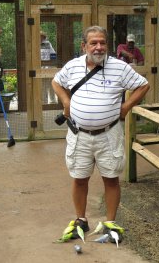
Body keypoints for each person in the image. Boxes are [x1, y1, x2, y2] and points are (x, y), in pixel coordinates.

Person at [51, 25, 149, 243]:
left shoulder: (119, 67)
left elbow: (143, 85)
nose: (98, 47)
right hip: (79, 135)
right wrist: (66, 100)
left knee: (111, 178)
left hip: (109, 134)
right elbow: (56, 81)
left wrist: (127, 107)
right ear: (84, 46)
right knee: (79, 178)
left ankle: (110, 222)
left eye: (102, 42)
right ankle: (80, 220)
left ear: (108, 45)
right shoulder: (73, 66)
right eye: (93, 43)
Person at [40, 31, 57, 104]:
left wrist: (50, 62)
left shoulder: (47, 44)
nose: (41, 39)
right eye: (40, 37)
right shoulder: (34, 44)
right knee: (43, 86)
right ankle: (44, 102)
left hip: (49, 68)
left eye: (42, 38)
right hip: (40, 69)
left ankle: (53, 102)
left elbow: (53, 54)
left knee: (51, 86)